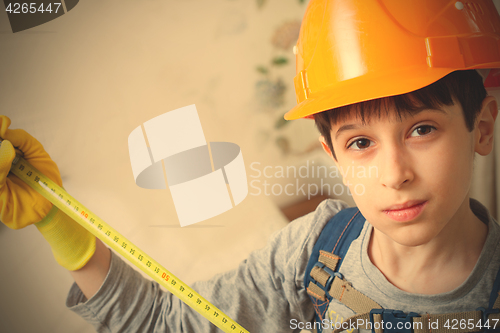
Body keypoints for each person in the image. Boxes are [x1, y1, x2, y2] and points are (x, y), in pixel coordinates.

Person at [2, 0, 500, 332]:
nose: (394, 173)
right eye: (362, 142)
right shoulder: (312, 251)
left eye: (422, 130)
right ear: (333, 157)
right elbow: (163, 320)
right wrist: (55, 219)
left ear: (480, 127)